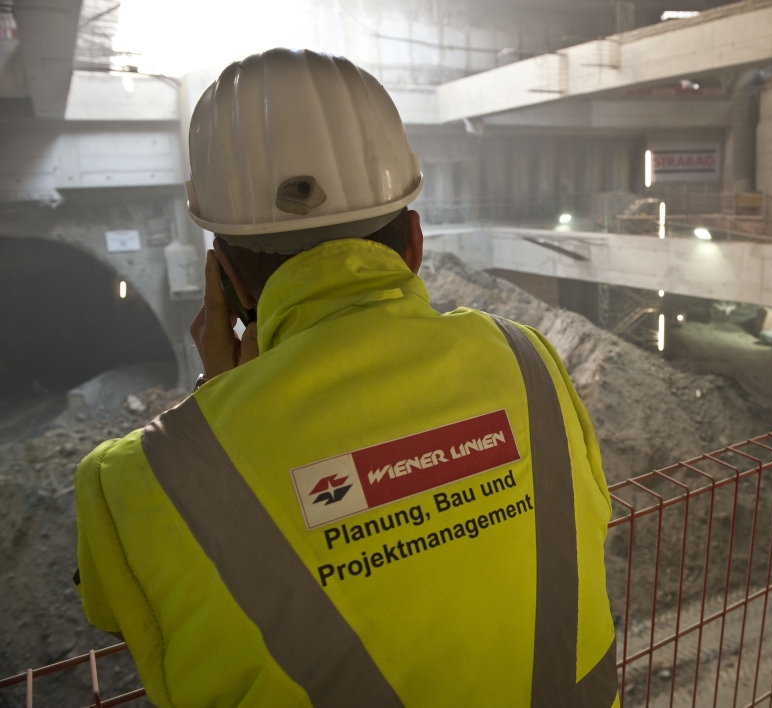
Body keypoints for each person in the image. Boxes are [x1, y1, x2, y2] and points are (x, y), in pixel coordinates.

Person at [73, 48, 618, 707]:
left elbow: (123, 610)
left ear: (226, 277)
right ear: (414, 244)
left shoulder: (135, 480)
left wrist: (218, 401)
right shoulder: (529, 363)